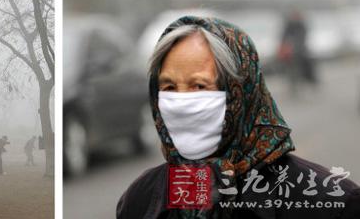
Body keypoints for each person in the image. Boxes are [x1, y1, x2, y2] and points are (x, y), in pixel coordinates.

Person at [116, 15, 360, 218]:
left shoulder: (328, 202)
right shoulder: (143, 198)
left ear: (240, 92)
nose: (180, 102)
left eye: (199, 86)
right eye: (168, 88)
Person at [278, 10, 317, 96]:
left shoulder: (301, 25)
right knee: (291, 71)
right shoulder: (289, 25)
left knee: (301, 70)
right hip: (289, 54)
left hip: (299, 53)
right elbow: (283, 38)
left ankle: (301, 86)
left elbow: (302, 39)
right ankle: (293, 88)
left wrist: (294, 47)